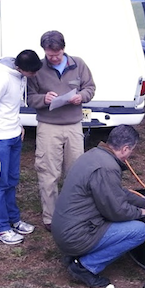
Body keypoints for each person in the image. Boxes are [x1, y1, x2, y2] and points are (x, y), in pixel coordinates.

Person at [51, 125, 145, 287]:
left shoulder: (94, 154)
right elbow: (118, 212)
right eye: (132, 150)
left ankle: (76, 254)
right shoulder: (107, 168)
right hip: (75, 236)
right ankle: (85, 267)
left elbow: (117, 192)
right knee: (139, 231)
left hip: (65, 229)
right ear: (126, 148)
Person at [27, 30, 96, 232]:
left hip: (74, 125)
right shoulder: (37, 69)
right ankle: (50, 217)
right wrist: (43, 99)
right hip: (48, 126)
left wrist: (81, 96)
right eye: (49, 55)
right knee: (48, 172)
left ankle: (74, 212)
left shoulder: (79, 64)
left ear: (63, 49)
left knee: (76, 171)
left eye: (56, 54)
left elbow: (91, 88)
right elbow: (30, 98)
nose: (53, 58)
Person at [0, 50, 42, 245]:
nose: (33, 76)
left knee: (12, 180)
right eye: (32, 73)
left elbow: (11, 106)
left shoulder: (19, 76)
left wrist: (19, 126)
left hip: (14, 136)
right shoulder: (0, 78)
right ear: (20, 68)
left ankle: (13, 220)